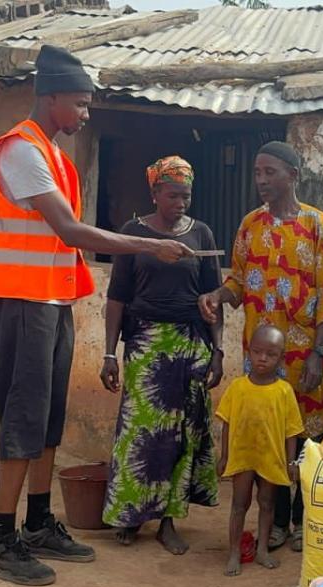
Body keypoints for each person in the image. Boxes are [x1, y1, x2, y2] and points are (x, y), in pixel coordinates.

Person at [0, 45, 193, 586]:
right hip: (20, 300)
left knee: (48, 416)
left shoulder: (54, 157)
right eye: (80, 103)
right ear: (50, 97)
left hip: (51, 300)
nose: (86, 113)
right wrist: (148, 245)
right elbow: (71, 232)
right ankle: (1, 538)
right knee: (23, 417)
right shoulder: (21, 150)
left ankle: (38, 521)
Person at [198, 141, 323, 553]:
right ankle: (276, 523)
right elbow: (239, 282)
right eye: (258, 172)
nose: (261, 180)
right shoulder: (250, 225)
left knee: (308, 436)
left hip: (303, 355)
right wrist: (217, 295)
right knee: (270, 437)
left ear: (293, 175)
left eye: (270, 172)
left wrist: (318, 352)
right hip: (261, 357)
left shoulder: (318, 225)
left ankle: (303, 518)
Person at [99, 156, 223, 553]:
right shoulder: (133, 234)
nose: (180, 203)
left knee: (181, 437)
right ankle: (132, 515)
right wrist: (109, 354)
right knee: (139, 434)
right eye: (172, 196)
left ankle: (169, 521)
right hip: (145, 345)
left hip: (190, 344)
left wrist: (218, 350)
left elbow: (213, 299)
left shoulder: (201, 234)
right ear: (154, 193)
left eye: (186, 196)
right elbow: (117, 297)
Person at [215, 325, 304, 576]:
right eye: (257, 352)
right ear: (248, 352)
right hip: (242, 456)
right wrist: (224, 456)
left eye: (271, 354)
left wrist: (290, 462)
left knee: (267, 503)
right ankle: (234, 552)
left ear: (281, 358)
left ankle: (262, 549)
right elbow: (227, 423)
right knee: (238, 504)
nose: (262, 358)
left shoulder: (284, 391)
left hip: (270, 457)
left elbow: (291, 432)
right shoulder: (237, 387)